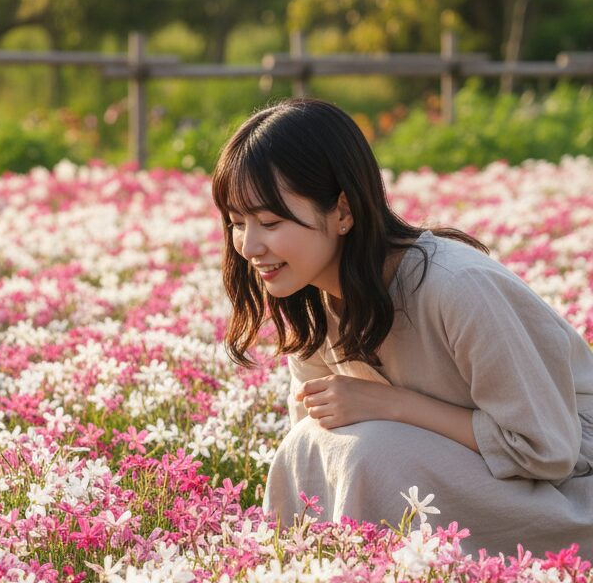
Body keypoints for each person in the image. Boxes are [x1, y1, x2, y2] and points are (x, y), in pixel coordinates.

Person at [211, 97, 593, 559]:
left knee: (371, 453)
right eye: (236, 223)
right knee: (314, 444)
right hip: (478, 479)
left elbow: (547, 451)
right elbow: (317, 448)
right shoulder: (309, 300)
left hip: (568, 491)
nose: (249, 245)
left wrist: (393, 405)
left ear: (344, 211)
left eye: (269, 221)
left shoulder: (457, 287)